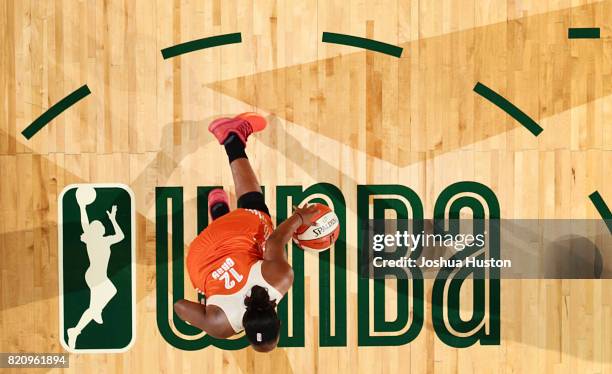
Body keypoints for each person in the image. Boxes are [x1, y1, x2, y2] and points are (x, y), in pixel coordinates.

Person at [174, 113, 318, 352]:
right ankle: (219, 209)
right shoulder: (220, 327)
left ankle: (232, 138)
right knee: (220, 273)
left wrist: (300, 218)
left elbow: (275, 242)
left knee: (257, 214)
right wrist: (209, 302)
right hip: (199, 256)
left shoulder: (280, 280)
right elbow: (180, 307)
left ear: (278, 321)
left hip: (232, 236)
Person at [67, 201, 124, 349]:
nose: (101, 226)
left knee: (111, 291)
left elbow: (120, 236)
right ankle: (75, 331)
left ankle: (94, 313)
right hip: (95, 276)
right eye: (97, 226)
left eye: (101, 225)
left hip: (98, 276)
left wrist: (113, 219)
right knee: (94, 307)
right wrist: (82, 207)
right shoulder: (92, 240)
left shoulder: (104, 240)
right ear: (95, 230)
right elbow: (84, 224)